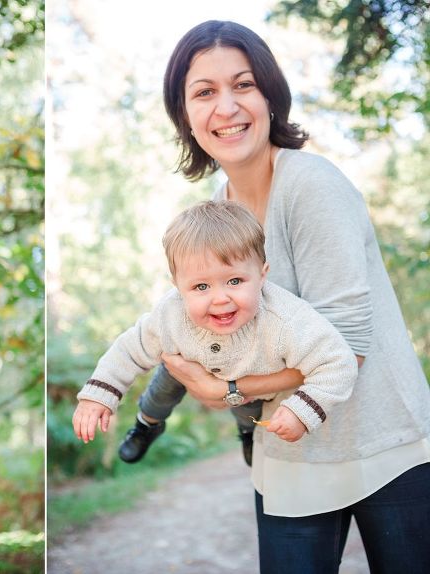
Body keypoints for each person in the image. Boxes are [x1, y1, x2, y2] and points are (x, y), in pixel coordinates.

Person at [156, 20, 430, 573]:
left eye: (244, 85)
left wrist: (228, 389)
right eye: (205, 93)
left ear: (270, 97)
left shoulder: (312, 185)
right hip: (291, 452)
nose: (227, 107)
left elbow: (347, 346)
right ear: (185, 116)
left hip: (384, 444)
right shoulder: (219, 205)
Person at [73, 201, 358, 453]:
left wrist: (301, 412)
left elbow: (338, 363)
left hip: (251, 376)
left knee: (247, 409)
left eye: (235, 281)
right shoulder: (169, 314)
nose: (220, 298)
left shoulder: (287, 319)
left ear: (262, 275)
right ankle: (146, 424)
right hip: (185, 361)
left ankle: (247, 435)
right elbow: (128, 350)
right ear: (178, 288)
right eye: (200, 286)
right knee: (161, 390)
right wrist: (97, 396)